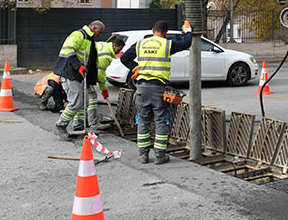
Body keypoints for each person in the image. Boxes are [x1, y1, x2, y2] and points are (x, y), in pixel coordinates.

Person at [119, 20, 192, 164]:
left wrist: (136, 67)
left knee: (143, 120)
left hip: (141, 88)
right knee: (160, 121)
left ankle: (143, 155)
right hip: (158, 88)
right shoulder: (167, 44)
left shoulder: (140, 44)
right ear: (165, 33)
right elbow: (186, 43)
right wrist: (188, 31)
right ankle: (159, 155)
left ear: (153, 30)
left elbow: (124, 58)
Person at [54, 20, 104, 138]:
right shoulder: (78, 35)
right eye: (100, 32)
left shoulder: (90, 40)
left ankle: (79, 126)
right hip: (71, 73)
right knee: (76, 102)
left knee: (82, 102)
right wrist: (78, 66)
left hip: (78, 74)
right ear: (94, 28)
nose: (100, 35)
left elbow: (92, 62)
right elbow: (68, 50)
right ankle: (60, 126)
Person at [85, 37, 125, 130]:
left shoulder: (103, 44)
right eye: (119, 49)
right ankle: (93, 123)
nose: (119, 52)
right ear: (114, 46)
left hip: (84, 74)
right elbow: (100, 75)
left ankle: (86, 121)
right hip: (87, 77)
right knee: (92, 99)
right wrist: (104, 89)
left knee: (85, 99)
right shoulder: (106, 56)